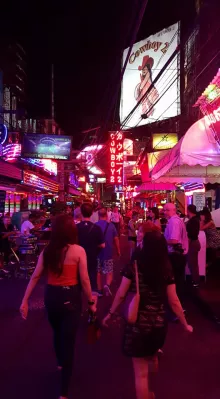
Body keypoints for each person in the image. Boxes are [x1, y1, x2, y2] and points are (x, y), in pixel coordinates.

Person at [103, 229, 193, 399]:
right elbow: (173, 301)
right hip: (159, 324)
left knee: (140, 374)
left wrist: (110, 313)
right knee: (151, 356)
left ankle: (146, 392)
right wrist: (184, 323)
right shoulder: (167, 268)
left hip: (138, 324)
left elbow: (121, 294)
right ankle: (151, 383)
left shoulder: (134, 266)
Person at [20, 214, 96, 399]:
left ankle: (60, 363)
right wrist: (91, 301)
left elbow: (36, 276)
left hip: (51, 296)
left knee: (56, 331)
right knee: (69, 342)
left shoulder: (48, 251)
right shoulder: (78, 251)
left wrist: (25, 300)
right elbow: (84, 280)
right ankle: (64, 391)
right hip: (71, 297)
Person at [77, 202, 105, 295]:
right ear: (92, 213)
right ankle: (92, 306)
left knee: (78, 281)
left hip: (78, 258)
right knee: (92, 282)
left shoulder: (76, 227)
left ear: (81, 212)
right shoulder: (96, 228)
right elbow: (102, 245)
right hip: (92, 257)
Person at [164, 203, 188, 305]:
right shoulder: (176, 221)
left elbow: (174, 240)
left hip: (176, 255)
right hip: (178, 254)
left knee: (176, 281)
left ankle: (177, 305)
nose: (164, 212)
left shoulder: (174, 222)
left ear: (172, 210)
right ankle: (179, 304)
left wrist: (162, 240)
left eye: (166, 210)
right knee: (178, 280)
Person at [96, 207, 120, 297]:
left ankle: (99, 290)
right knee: (109, 271)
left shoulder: (95, 225)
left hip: (97, 253)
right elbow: (116, 239)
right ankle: (107, 285)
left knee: (98, 272)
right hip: (108, 251)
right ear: (106, 215)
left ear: (98, 215)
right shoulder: (111, 226)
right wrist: (118, 250)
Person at [186, 205, 201, 287]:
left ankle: (196, 281)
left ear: (189, 210)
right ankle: (195, 280)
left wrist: (188, 242)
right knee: (192, 263)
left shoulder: (193, 220)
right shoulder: (194, 220)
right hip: (194, 242)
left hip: (193, 243)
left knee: (193, 263)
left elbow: (193, 234)